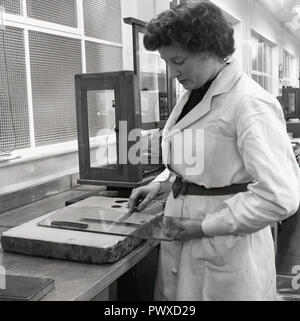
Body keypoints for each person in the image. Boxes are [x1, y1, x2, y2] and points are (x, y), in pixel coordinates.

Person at [128, 2, 300, 301]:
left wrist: (205, 227)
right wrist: (160, 185)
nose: (172, 73)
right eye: (168, 62)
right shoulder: (193, 95)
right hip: (183, 241)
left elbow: (280, 196)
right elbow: (194, 161)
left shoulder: (250, 103)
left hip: (226, 251)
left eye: (178, 61)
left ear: (208, 49)